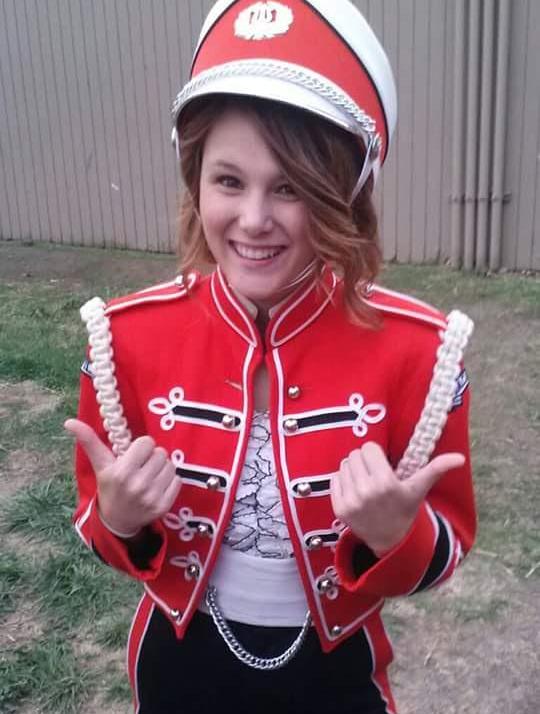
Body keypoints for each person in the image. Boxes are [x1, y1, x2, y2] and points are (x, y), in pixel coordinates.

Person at [66, 1, 476, 712]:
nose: (254, 220)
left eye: (289, 187)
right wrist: (119, 518)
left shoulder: (423, 350)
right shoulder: (122, 337)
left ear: (344, 194)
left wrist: (397, 535)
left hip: (336, 678)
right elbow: (97, 529)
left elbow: (446, 547)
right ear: (195, 180)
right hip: (176, 669)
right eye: (229, 181)